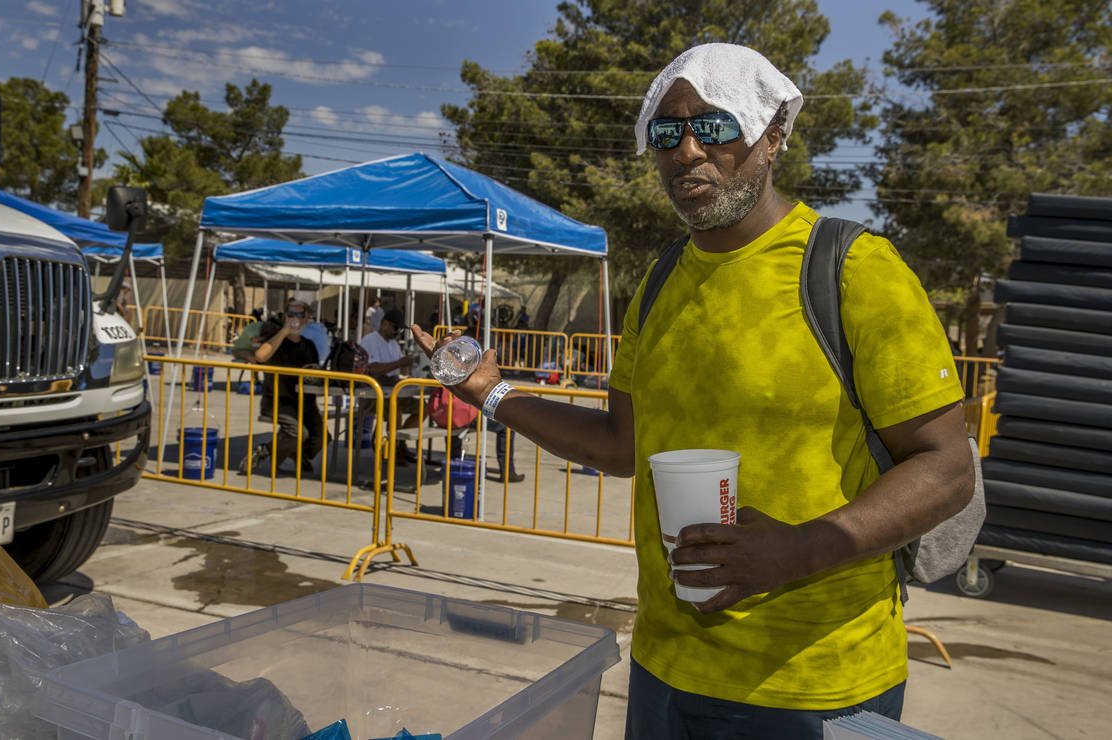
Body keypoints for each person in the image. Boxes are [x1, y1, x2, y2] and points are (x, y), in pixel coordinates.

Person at [411, 42, 972, 738]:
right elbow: (622, 446)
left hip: (815, 682)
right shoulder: (660, 282)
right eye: (666, 132)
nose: (685, 151)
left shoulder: (854, 269)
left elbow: (947, 468)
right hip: (664, 672)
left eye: (712, 127)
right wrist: (492, 392)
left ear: (772, 138)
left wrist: (803, 548)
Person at [236, 298, 324, 476]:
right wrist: (284, 331)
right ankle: (265, 451)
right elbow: (260, 356)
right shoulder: (275, 340)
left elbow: (314, 373)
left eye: (300, 314)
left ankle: (294, 452)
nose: (295, 318)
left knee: (321, 438)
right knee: (298, 433)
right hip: (278, 400)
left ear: (306, 318)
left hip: (304, 402)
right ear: (285, 316)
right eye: (291, 314)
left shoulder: (309, 345)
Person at [461, 306, 522, 482]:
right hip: (465, 414)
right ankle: (507, 471)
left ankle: (454, 456)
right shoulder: (473, 361)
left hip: (448, 412)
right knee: (505, 426)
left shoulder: (450, 357)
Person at [358, 308, 421, 464]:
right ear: (385, 324)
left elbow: (400, 369)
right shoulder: (369, 340)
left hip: (392, 390)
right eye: (396, 328)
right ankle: (393, 449)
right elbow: (373, 369)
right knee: (395, 410)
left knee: (422, 408)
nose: (398, 332)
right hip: (373, 393)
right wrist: (400, 363)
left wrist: (409, 363)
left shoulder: (393, 344)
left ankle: (399, 443)